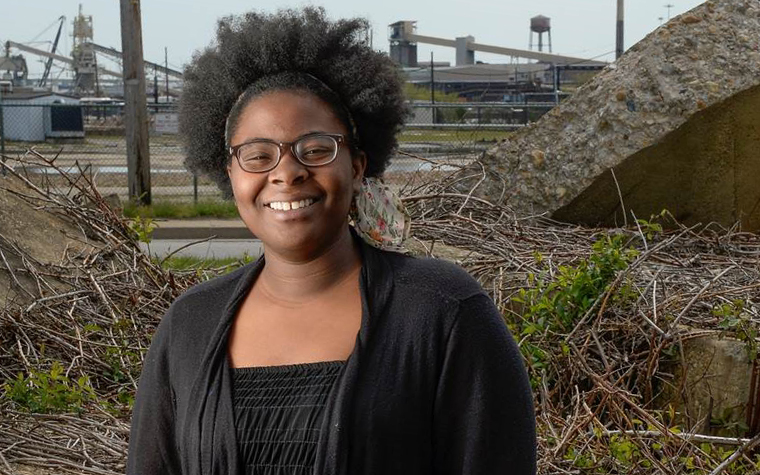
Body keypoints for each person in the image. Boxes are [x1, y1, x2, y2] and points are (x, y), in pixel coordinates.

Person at [126, 7, 536, 475]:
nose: (287, 172)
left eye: (316, 150)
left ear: (358, 164)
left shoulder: (444, 313)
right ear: (231, 175)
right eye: (258, 155)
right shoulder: (190, 324)